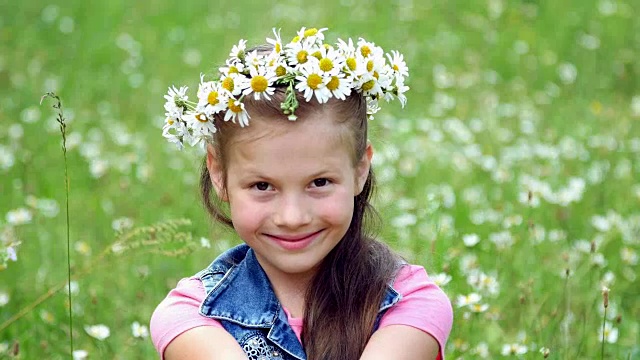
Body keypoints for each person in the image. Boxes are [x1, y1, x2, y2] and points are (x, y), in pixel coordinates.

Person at [150, 27, 453, 360]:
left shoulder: (412, 303)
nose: (292, 217)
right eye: (262, 186)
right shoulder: (190, 317)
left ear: (359, 170)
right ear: (219, 174)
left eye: (319, 183)